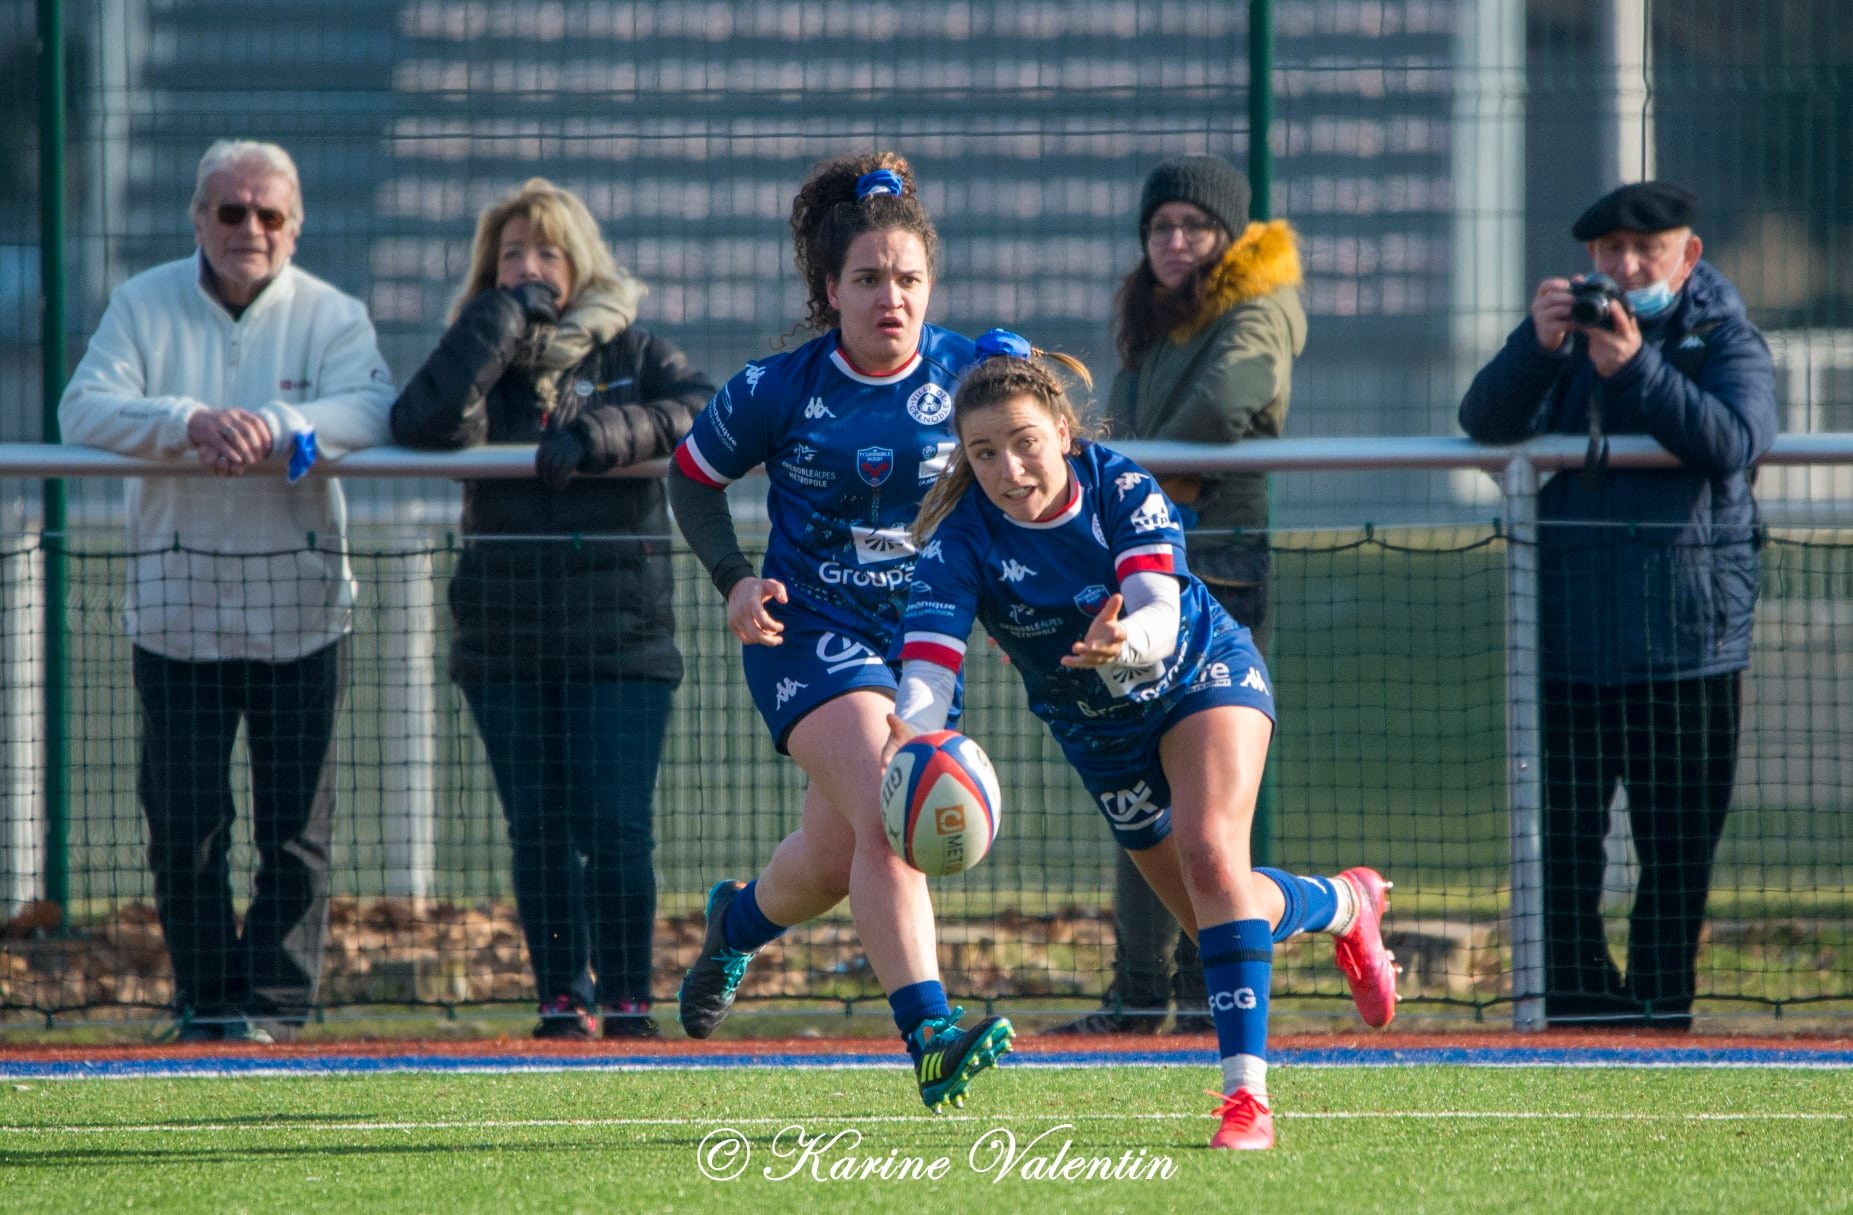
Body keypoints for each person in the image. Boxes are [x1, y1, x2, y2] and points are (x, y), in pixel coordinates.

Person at [889, 333, 1397, 1150]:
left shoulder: (1119, 482)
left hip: (1200, 673)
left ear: (1061, 428)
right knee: (1219, 918)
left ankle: (1245, 1100)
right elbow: (929, 666)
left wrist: (1121, 643)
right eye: (983, 452)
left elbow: (1158, 609)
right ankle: (1345, 903)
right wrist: (910, 731)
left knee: (1210, 856)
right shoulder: (959, 539)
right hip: (1099, 734)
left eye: (1023, 442)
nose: (1008, 469)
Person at [667, 153, 1012, 1110]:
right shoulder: (778, 387)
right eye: (867, 279)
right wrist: (736, 581)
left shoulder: (971, 374)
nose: (889, 297)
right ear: (831, 291)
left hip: (921, 645)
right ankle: (932, 1034)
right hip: (805, 633)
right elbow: (690, 479)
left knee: (829, 860)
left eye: (908, 278)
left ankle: (735, 923)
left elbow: (1038, 459)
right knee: (892, 818)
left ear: (928, 286)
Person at [58, 139, 395, 1042]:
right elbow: (81, 409)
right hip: (175, 617)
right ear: (198, 217)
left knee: (294, 836)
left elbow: (369, 408)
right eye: (230, 211)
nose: (250, 228)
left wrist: (282, 428)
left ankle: (277, 1012)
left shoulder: (333, 314)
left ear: (295, 226)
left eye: (269, 214)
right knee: (185, 832)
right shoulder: (141, 302)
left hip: (303, 615)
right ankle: (207, 1005)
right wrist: (189, 422)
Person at [390, 179, 713, 1040]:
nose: (528, 267)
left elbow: (702, 411)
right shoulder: (478, 348)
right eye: (510, 256)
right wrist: (497, 324)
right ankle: (559, 998)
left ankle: (631, 998)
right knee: (536, 829)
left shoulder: (635, 351)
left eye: (545, 253)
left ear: (581, 264)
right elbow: (422, 423)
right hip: (503, 635)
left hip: (620, 634)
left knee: (615, 824)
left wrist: (602, 439)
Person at [1459, 181, 1777, 1029]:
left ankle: (1658, 1012)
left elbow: (1730, 441)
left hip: (1689, 644)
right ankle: (1578, 1008)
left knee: (1675, 854)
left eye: (1646, 249)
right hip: (1567, 639)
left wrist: (1635, 367)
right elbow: (1481, 420)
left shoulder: (1726, 339)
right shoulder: (1565, 339)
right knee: (1562, 849)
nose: (1626, 266)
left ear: (1687, 254)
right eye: (1608, 252)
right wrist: (1538, 343)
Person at [1054, 154, 1307, 1036]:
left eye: (1192, 227)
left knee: (1203, 805)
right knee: (1138, 791)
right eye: (1159, 227)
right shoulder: (1154, 320)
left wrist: (1116, 476)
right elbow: (1123, 428)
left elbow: (1224, 408)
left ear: (1228, 235)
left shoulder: (1255, 307)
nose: (1174, 242)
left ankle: (1206, 987)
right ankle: (1141, 990)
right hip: (1139, 563)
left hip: (1218, 569)